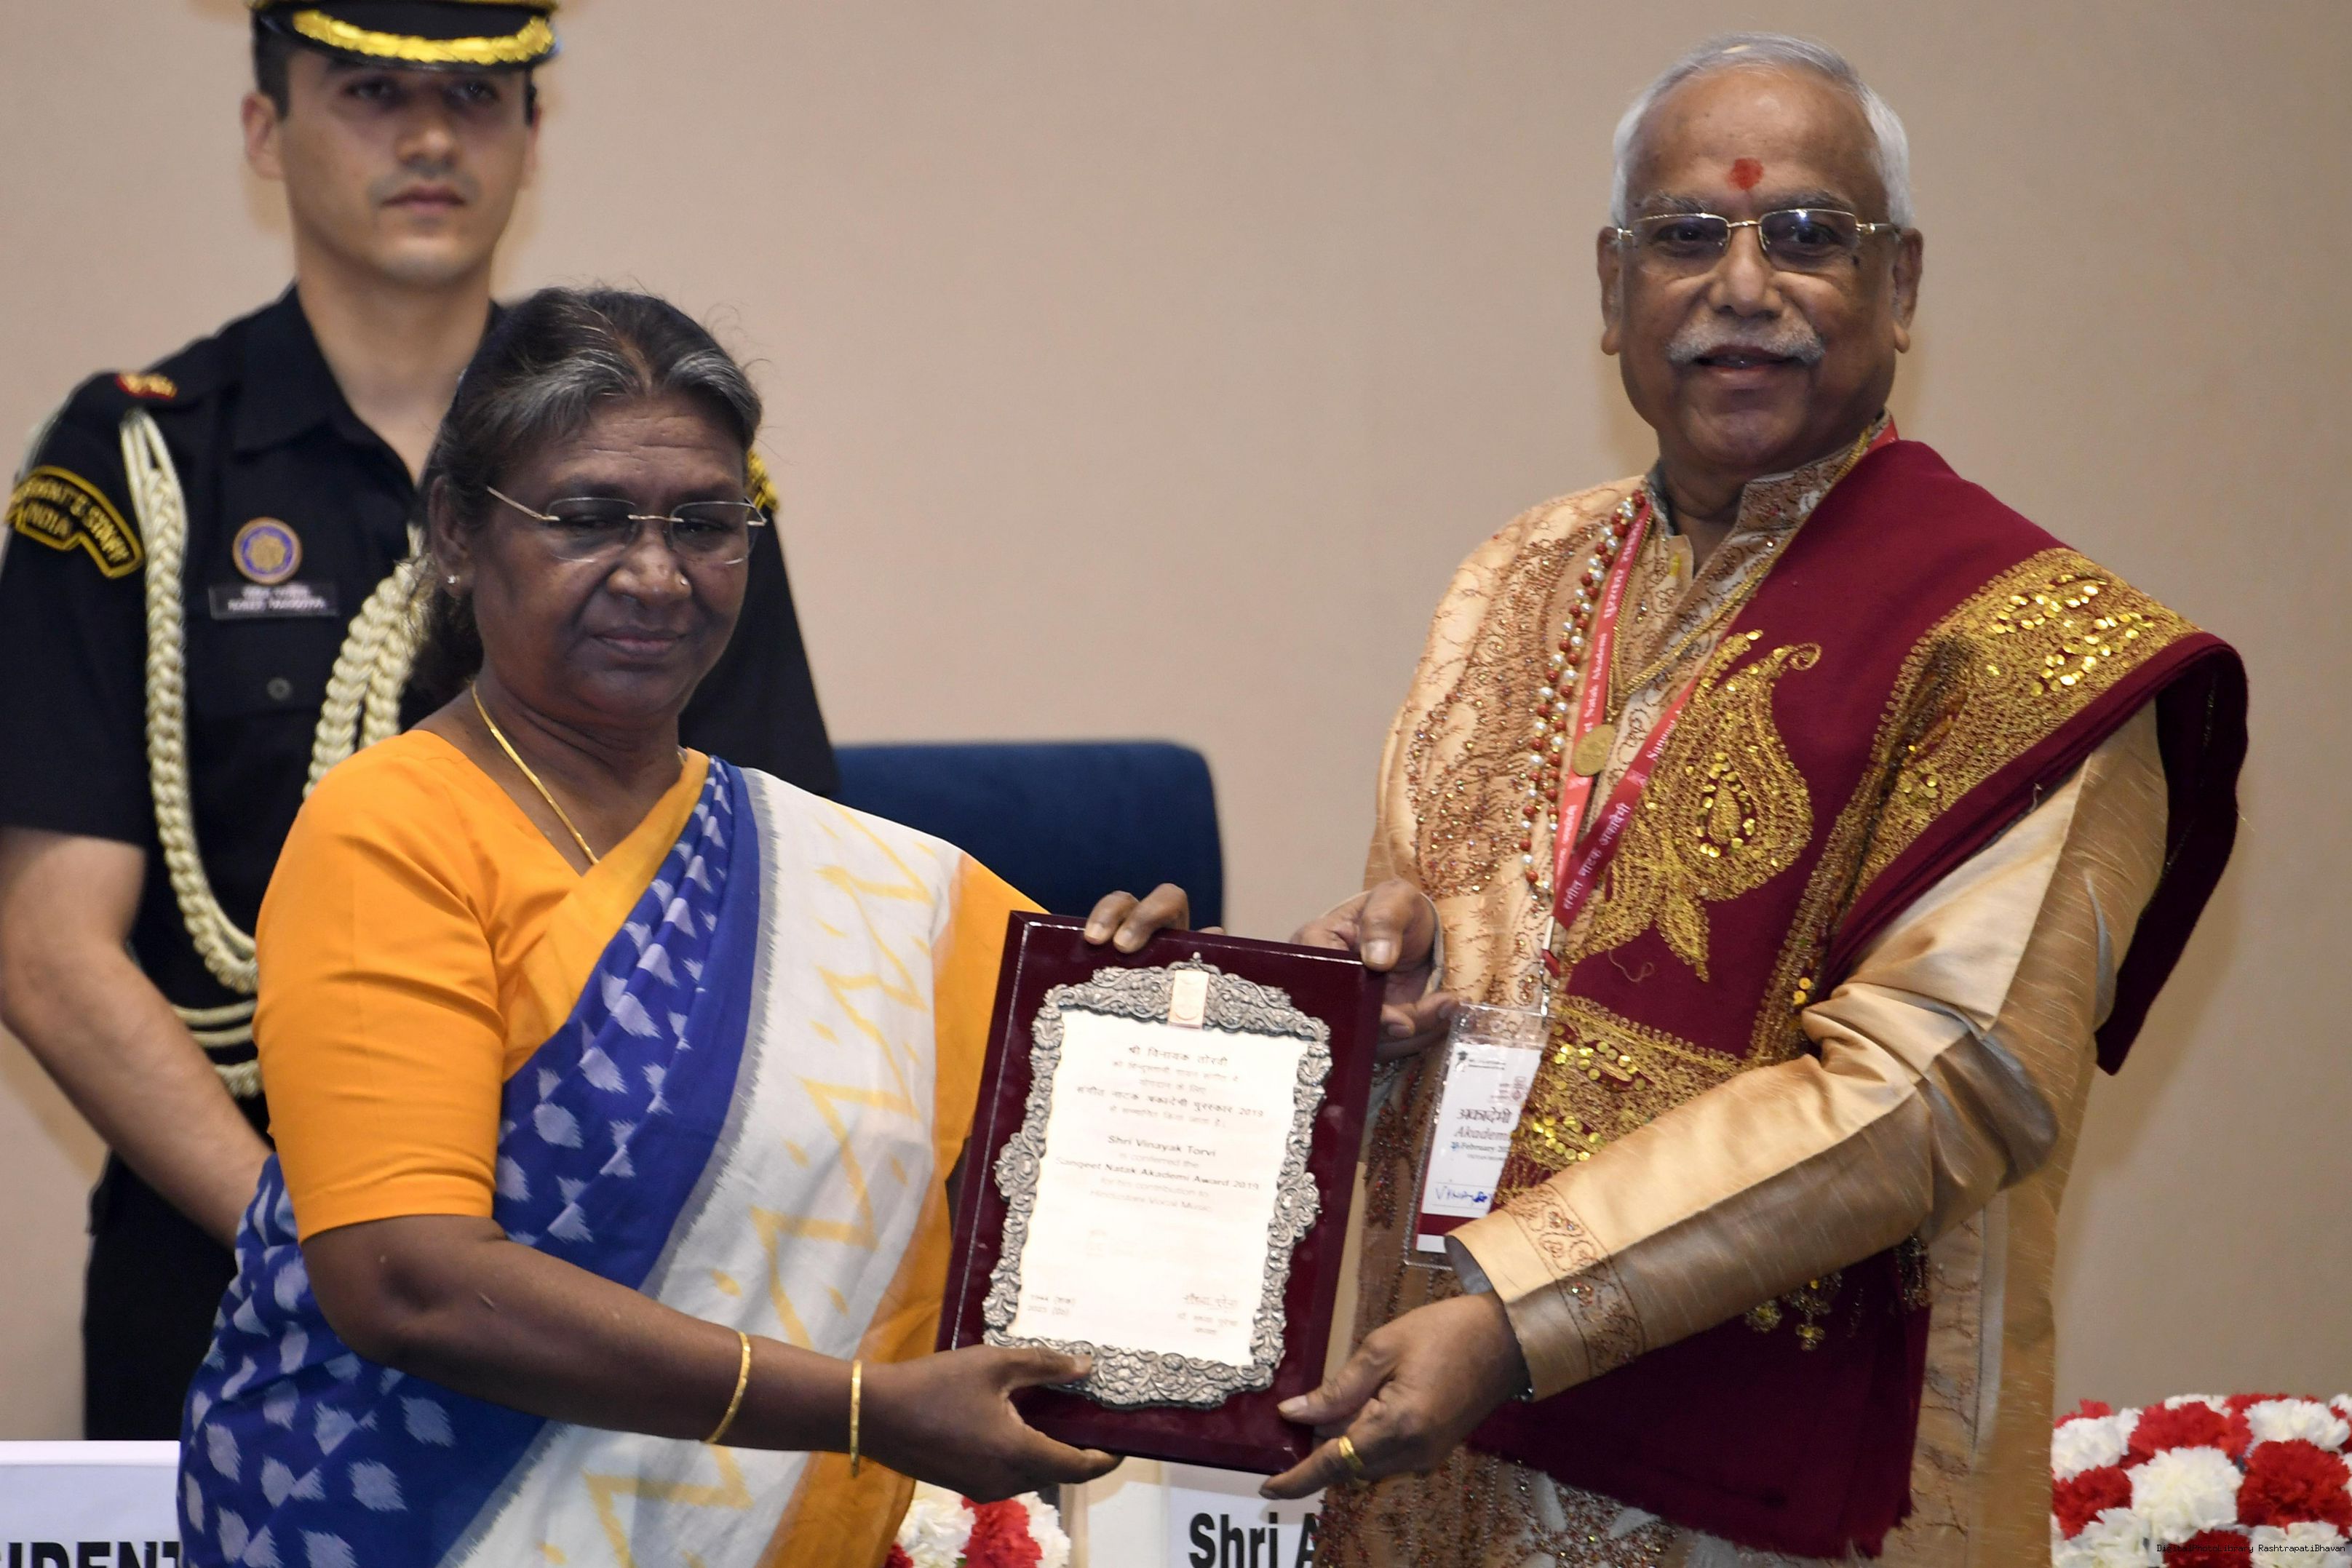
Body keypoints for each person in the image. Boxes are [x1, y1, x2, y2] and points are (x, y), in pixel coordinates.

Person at [1260, 34, 2247, 1567]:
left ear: (1899, 284)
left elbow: (1941, 1084)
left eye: (1804, 234)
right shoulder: (1514, 577)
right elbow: (1482, 943)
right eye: (1683, 235)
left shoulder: (2028, 651)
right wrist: (1384, 982)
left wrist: (1522, 1309)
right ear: (1611, 290)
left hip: (1788, 1500)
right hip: (1440, 1445)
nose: (1739, 284)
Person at [177, 286, 1191, 1567]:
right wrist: (864, 1412)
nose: (656, 575)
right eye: (589, 518)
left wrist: (1293, 1008)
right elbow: (407, 1283)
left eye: (705, 525)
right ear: (457, 535)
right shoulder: (392, 831)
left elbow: (1145, 1098)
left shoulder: (858, 881)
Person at [0, 0, 833, 1440]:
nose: (433, 138)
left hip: (630, 1283)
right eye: (371, 93)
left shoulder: (666, 473)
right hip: (230, 1265)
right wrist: (338, 1244)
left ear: (533, 134)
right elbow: (48, 945)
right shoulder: (138, 463)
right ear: (266, 128)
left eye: (480, 98)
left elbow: (774, 885)